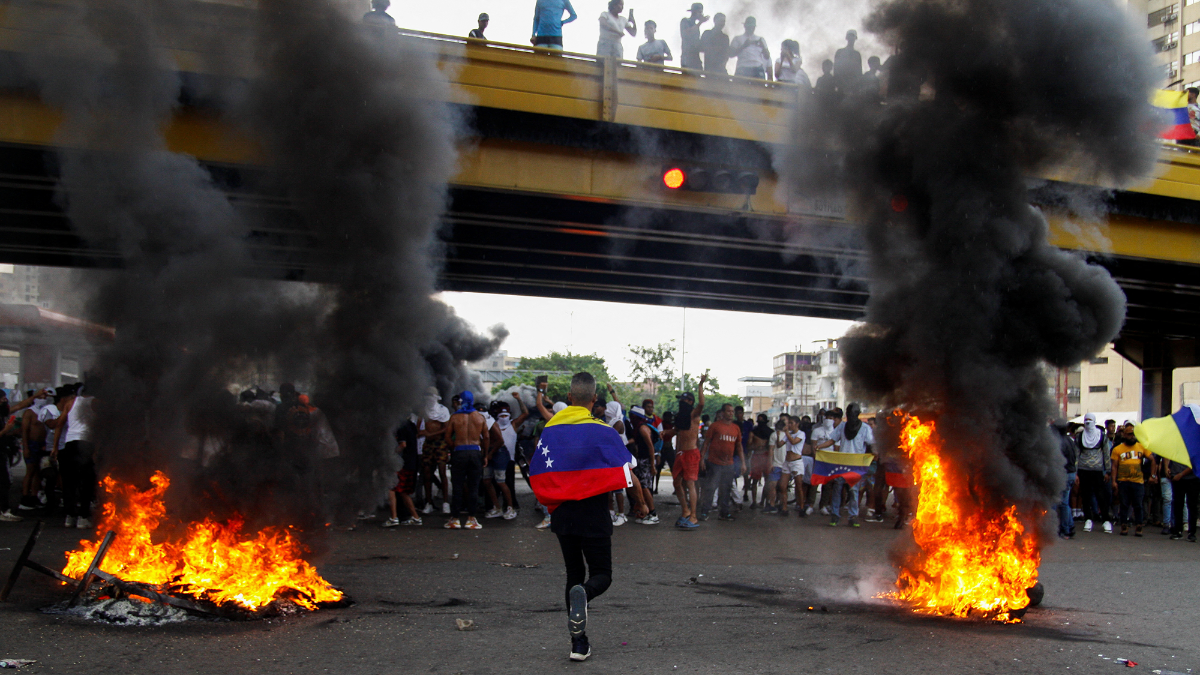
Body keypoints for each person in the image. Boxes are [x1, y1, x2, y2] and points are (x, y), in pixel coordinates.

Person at [528, 372, 647, 662]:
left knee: (573, 573)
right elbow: (627, 474)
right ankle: (585, 592)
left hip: (563, 515)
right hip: (594, 513)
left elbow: (539, 469)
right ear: (594, 399)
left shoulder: (551, 430)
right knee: (602, 575)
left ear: (569, 398)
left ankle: (578, 644)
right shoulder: (604, 432)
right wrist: (642, 504)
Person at [443, 390, 489, 530]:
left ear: (461, 401)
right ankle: (471, 519)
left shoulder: (455, 417)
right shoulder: (480, 417)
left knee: (457, 486)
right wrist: (485, 455)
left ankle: (455, 519)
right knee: (473, 487)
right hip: (475, 452)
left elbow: (447, 437)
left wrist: (455, 447)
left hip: (459, 452)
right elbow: (486, 437)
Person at [52, 382, 95, 529]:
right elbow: (103, 427)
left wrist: (55, 447)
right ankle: (83, 517)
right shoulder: (96, 403)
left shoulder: (71, 403)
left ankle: (69, 516)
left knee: (69, 482)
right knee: (86, 482)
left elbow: (59, 425)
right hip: (86, 444)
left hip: (70, 444)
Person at [828, 403, 873, 527]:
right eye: (848, 414)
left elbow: (871, 443)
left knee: (854, 491)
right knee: (837, 489)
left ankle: (853, 517)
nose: (850, 416)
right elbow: (832, 440)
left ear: (857, 414)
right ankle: (835, 515)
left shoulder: (865, 428)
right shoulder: (842, 426)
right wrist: (819, 447)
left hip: (855, 465)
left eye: (853, 414)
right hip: (841, 464)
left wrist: (874, 454)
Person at [699, 403, 744, 521]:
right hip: (714, 463)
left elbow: (739, 446)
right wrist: (702, 459)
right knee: (710, 488)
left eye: (732, 411)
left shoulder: (736, 428)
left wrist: (743, 463)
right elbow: (706, 443)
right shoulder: (715, 426)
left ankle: (724, 513)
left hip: (729, 464)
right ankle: (705, 512)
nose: (731, 413)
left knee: (726, 489)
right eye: (728, 411)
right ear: (723, 413)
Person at [671, 375, 706, 528]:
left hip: (691, 453)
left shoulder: (694, 415)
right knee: (677, 482)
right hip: (681, 453)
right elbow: (676, 432)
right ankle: (685, 510)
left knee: (690, 484)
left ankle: (693, 516)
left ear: (690, 402)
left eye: (684, 400)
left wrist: (700, 385)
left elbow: (702, 403)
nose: (682, 403)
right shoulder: (681, 417)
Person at [1111, 422, 1153, 536]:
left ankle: (1139, 526)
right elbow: (1114, 466)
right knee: (1124, 504)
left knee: (1138, 505)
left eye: (1134, 434)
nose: (1132, 436)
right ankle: (1124, 525)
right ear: (1124, 435)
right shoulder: (1117, 449)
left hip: (1138, 481)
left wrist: (1153, 475)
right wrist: (1114, 481)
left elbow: (1152, 459)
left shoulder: (1141, 446)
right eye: (1129, 434)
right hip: (1123, 481)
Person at [484, 403, 522, 520]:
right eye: (502, 415)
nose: (504, 418)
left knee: (501, 482)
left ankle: (510, 508)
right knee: (487, 481)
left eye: (506, 415)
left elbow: (500, 441)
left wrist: (490, 454)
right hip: (488, 454)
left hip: (500, 454)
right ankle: (497, 508)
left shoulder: (490, 423)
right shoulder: (483, 422)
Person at [1076, 413, 1113, 533]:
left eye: (1090, 420)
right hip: (1083, 470)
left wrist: (1108, 471)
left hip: (1097, 470)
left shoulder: (1101, 436)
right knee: (1086, 496)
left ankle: (1106, 520)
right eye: (1086, 420)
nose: (1088, 422)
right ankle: (1088, 519)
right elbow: (1077, 454)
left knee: (1101, 496)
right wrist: (1076, 472)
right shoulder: (1080, 436)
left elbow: (1106, 454)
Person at [384, 416, 422, 527]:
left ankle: (394, 518)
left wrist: (391, 455)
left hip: (402, 463)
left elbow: (403, 444)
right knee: (403, 492)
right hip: (411, 462)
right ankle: (415, 517)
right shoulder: (411, 425)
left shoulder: (401, 426)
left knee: (391, 487)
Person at [421, 390, 452, 515]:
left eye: (431, 396)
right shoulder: (423, 410)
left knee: (442, 472)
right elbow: (419, 426)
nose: (429, 398)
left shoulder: (443, 410)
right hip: (428, 445)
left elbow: (446, 428)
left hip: (440, 444)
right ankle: (429, 502)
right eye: (427, 395)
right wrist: (425, 434)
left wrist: (431, 434)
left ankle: (445, 502)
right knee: (427, 473)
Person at [627, 406, 660, 523]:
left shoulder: (642, 428)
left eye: (631, 416)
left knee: (645, 487)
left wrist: (652, 465)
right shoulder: (639, 428)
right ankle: (646, 512)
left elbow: (650, 447)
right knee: (642, 486)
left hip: (645, 461)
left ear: (636, 417)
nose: (630, 419)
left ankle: (653, 513)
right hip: (642, 460)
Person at [1166, 454, 1198, 541]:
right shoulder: (1175, 447)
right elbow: (1167, 454)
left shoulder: (1193, 448)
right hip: (1177, 477)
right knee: (1177, 504)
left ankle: (1192, 532)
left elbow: (1195, 464)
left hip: (1192, 478)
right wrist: (1167, 468)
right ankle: (1178, 530)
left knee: (1192, 505)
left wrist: (1181, 474)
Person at [1054, 419, 1077, 539]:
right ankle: (1070, 526)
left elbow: (1058, 460)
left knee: (1061, 504)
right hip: (1071, 474)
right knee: (1065, 503)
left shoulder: (1060, 442)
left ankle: (1065, 530)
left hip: (1064, 474)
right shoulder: (1070, 440)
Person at [761, 418, 788, 513]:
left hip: (776, 464)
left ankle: (772, 505)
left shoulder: (774, 435)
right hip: (785, 465)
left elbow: (771, 450)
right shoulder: (788, 435)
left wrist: (770, 463)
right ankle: (782, 506)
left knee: (772, 485)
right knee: (783, 487)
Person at [832, 29, 862, 95]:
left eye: (853, 36)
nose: (851, 38)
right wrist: (839, 84)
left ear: (855, 38)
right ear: (846, 37)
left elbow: (859, 71)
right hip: (841, 86)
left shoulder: (857, 54)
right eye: (850, 36)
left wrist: (857, 85)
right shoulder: (839, 52)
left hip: (854, 87)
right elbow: (836, 69)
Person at [679, 2, 707, 70]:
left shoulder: (696, 25)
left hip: (695, 57)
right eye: (699, 12)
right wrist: (700, 22)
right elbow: (686, 33)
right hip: (687, 57)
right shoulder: (685, 21)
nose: (701, 14)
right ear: (694, 12)